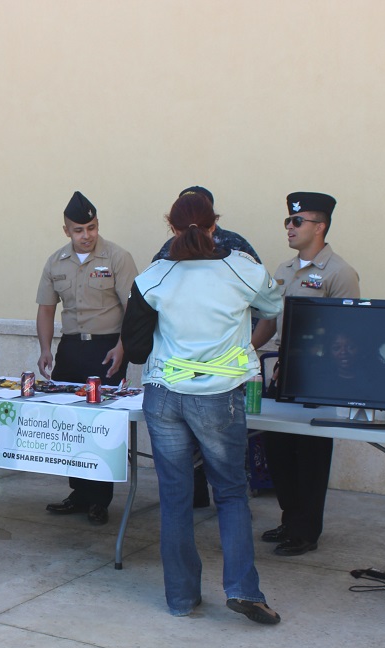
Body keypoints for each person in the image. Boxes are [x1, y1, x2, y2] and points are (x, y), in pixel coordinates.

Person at [121, 191, 284, 625]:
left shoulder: (153, 277)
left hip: (164, 395)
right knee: (230, 493)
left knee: (175, 497)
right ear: (215, 226)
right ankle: (243, 590)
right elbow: (273, 306)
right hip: (218, 396)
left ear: (171, 228)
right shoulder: (241, 267)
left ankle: (180, 598)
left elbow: (136, 350)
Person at [250, 192, 361, 556]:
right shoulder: (283, 270)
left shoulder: (340, 273)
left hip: (318, 376)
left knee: (310, 456)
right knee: (278, 448)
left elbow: (348, 331)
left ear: (320, 226)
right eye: (288, 221)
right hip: (281, 372)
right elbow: (269, 322)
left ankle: (306, 530)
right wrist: (243, 352)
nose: (290, 228)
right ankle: (289, 519)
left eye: (297, 222)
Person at [151, 186, 262, 509]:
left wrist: (242, 348)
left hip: (223, 370)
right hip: (181, 370)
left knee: (227, 467)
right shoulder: (167, 251)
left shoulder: (236, 247)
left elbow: (256, 302)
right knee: (187, 466)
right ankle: (201, 499)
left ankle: (228, 505)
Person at [36, 191, 138, 525]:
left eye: (91, 227)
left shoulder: (117, 258)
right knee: (70, 423)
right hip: (71, 349)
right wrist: (45, 349)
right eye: (79, 230)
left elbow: (132, 310)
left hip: (106, 348)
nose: (86, 235)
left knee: (101, 424)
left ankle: (100, 499)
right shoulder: (56, 262)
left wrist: (122, 348)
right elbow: (46, 309)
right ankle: (78, 492)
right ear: (66, 230)